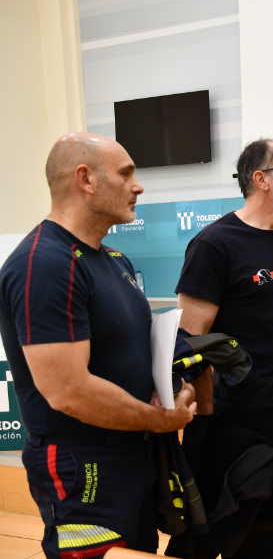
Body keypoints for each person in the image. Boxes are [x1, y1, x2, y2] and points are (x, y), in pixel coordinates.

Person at [0, 132, 196, 559]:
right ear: (85, 179)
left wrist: (167, 390)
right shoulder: (44, 264)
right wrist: (161, 419)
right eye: (126, 174)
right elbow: (68, 391)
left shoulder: (114, 260)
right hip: (81, 462)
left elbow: (129, 353)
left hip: (133, 452)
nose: (138, 186)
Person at [175, 138, 273, 558]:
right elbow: (190, 342)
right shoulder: (214, 244)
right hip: (247, 413)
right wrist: (203, 418)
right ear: (261, 179)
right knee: (256, 532)